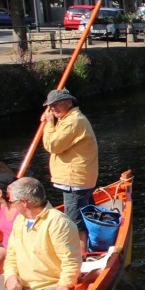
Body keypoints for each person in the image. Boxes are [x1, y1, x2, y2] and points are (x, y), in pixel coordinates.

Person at [0, 177, 81, 290]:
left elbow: (71, 260)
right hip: (25, 286)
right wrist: (10, 276)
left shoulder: (58, 222)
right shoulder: (20, 221)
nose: (10, 204)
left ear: (24, 202)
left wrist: (65, 284)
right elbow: (11, 254)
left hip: (52, 283)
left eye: (12, 201)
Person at [40, 88, 98, 252]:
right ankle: (90, 245)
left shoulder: (73, 121)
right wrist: (53, 122)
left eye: (57, 105)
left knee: (74, 220)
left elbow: (53, 145)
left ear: (69, 102)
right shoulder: (68, 120)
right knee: (84, 214)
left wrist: (49, 123)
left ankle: (82, 254)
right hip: (79, 179)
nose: (53, 109)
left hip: (75, 181)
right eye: (51, 106)